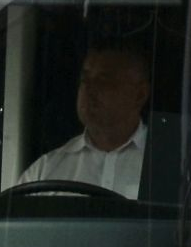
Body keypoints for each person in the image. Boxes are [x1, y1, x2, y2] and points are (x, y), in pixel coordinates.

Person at [20, 42, 150, 199]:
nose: (89, 89)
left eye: (103, 80)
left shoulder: (169, 166)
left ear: (139, 95)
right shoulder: (45, 171)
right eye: (85, 79)